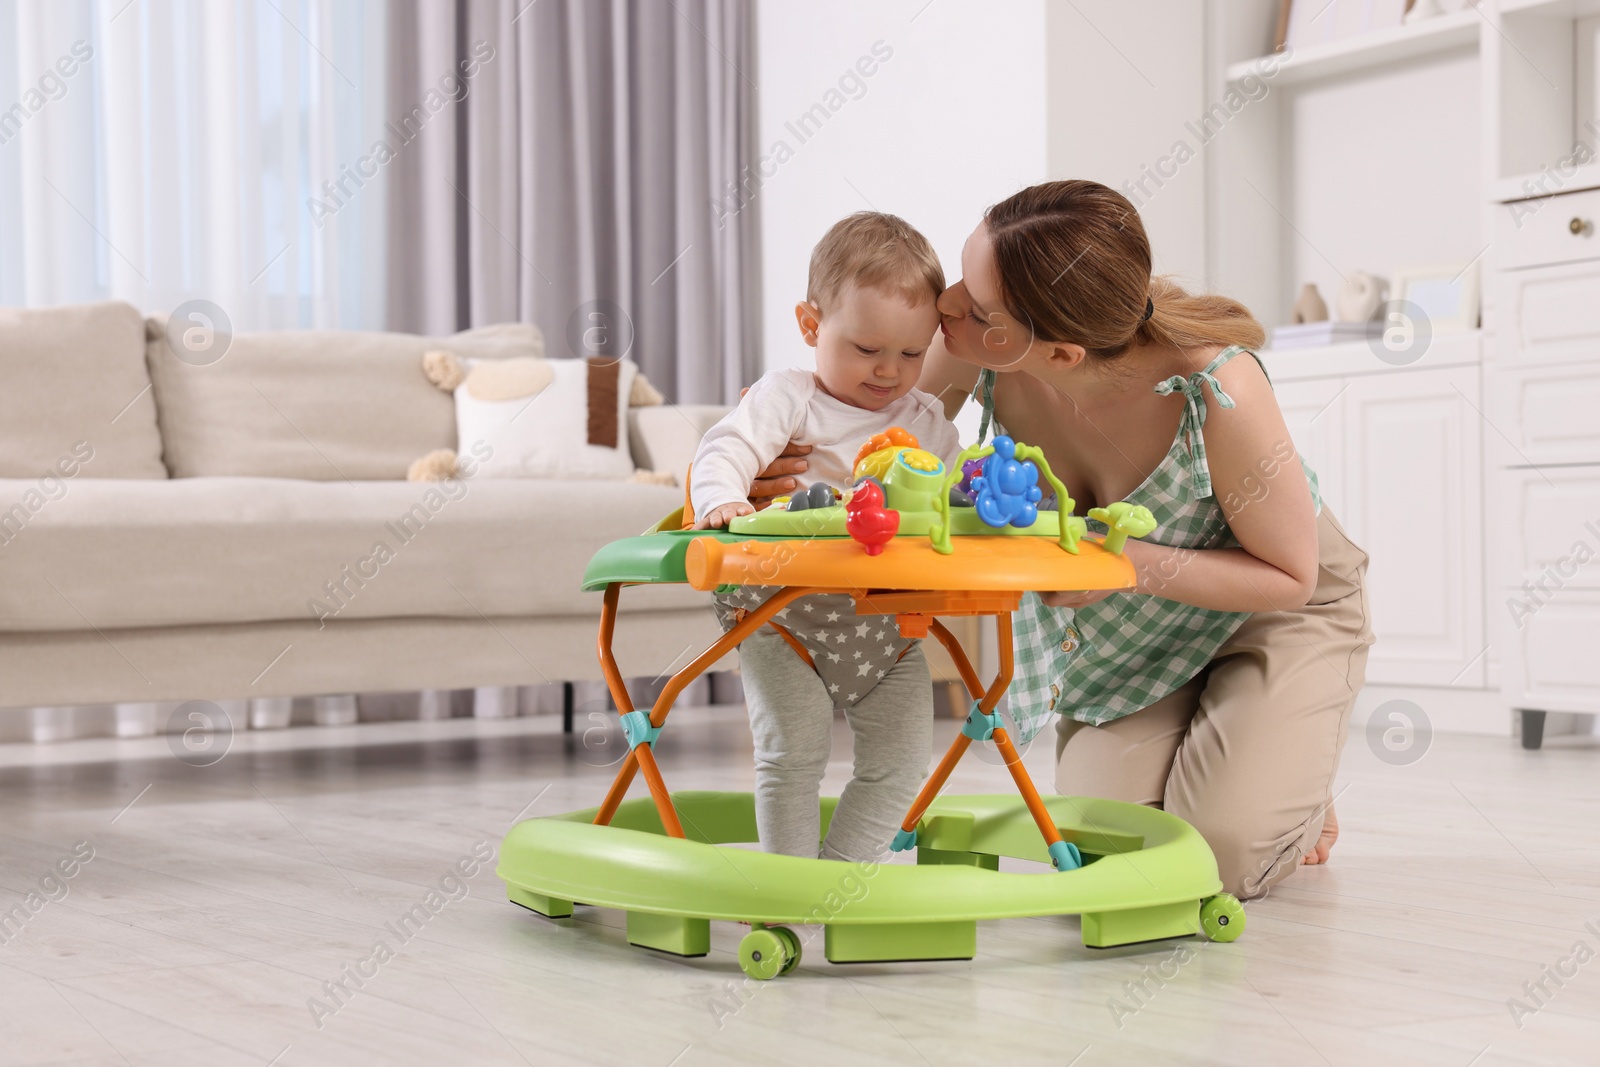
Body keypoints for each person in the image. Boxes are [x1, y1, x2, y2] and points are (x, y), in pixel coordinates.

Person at [745, 182, 1373, 898]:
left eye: (978, 309)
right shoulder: (968, 349)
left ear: (1063, 354)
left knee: (1217, 858)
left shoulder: (1217, 389)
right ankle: (1253, 760)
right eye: (961, 275)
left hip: (1274, 613)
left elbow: (1289, 575)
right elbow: (853, 422)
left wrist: (1124, 563)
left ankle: (1284, 766)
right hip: (1137, 642)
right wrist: (769, 458)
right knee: (1106, 856)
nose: (945, 307)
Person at [689, 211, 962, 862]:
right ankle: (785, 890)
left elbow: (948, 506)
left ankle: (835, 885)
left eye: (911, 353)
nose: (890, 371)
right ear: (811, 326)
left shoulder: (928, 421)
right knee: (795, 749)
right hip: (780, 608)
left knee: (902, 758)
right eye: (868, 349)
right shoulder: (789, 396)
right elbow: (725, 446)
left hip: (883, 620)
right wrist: (722, 498)